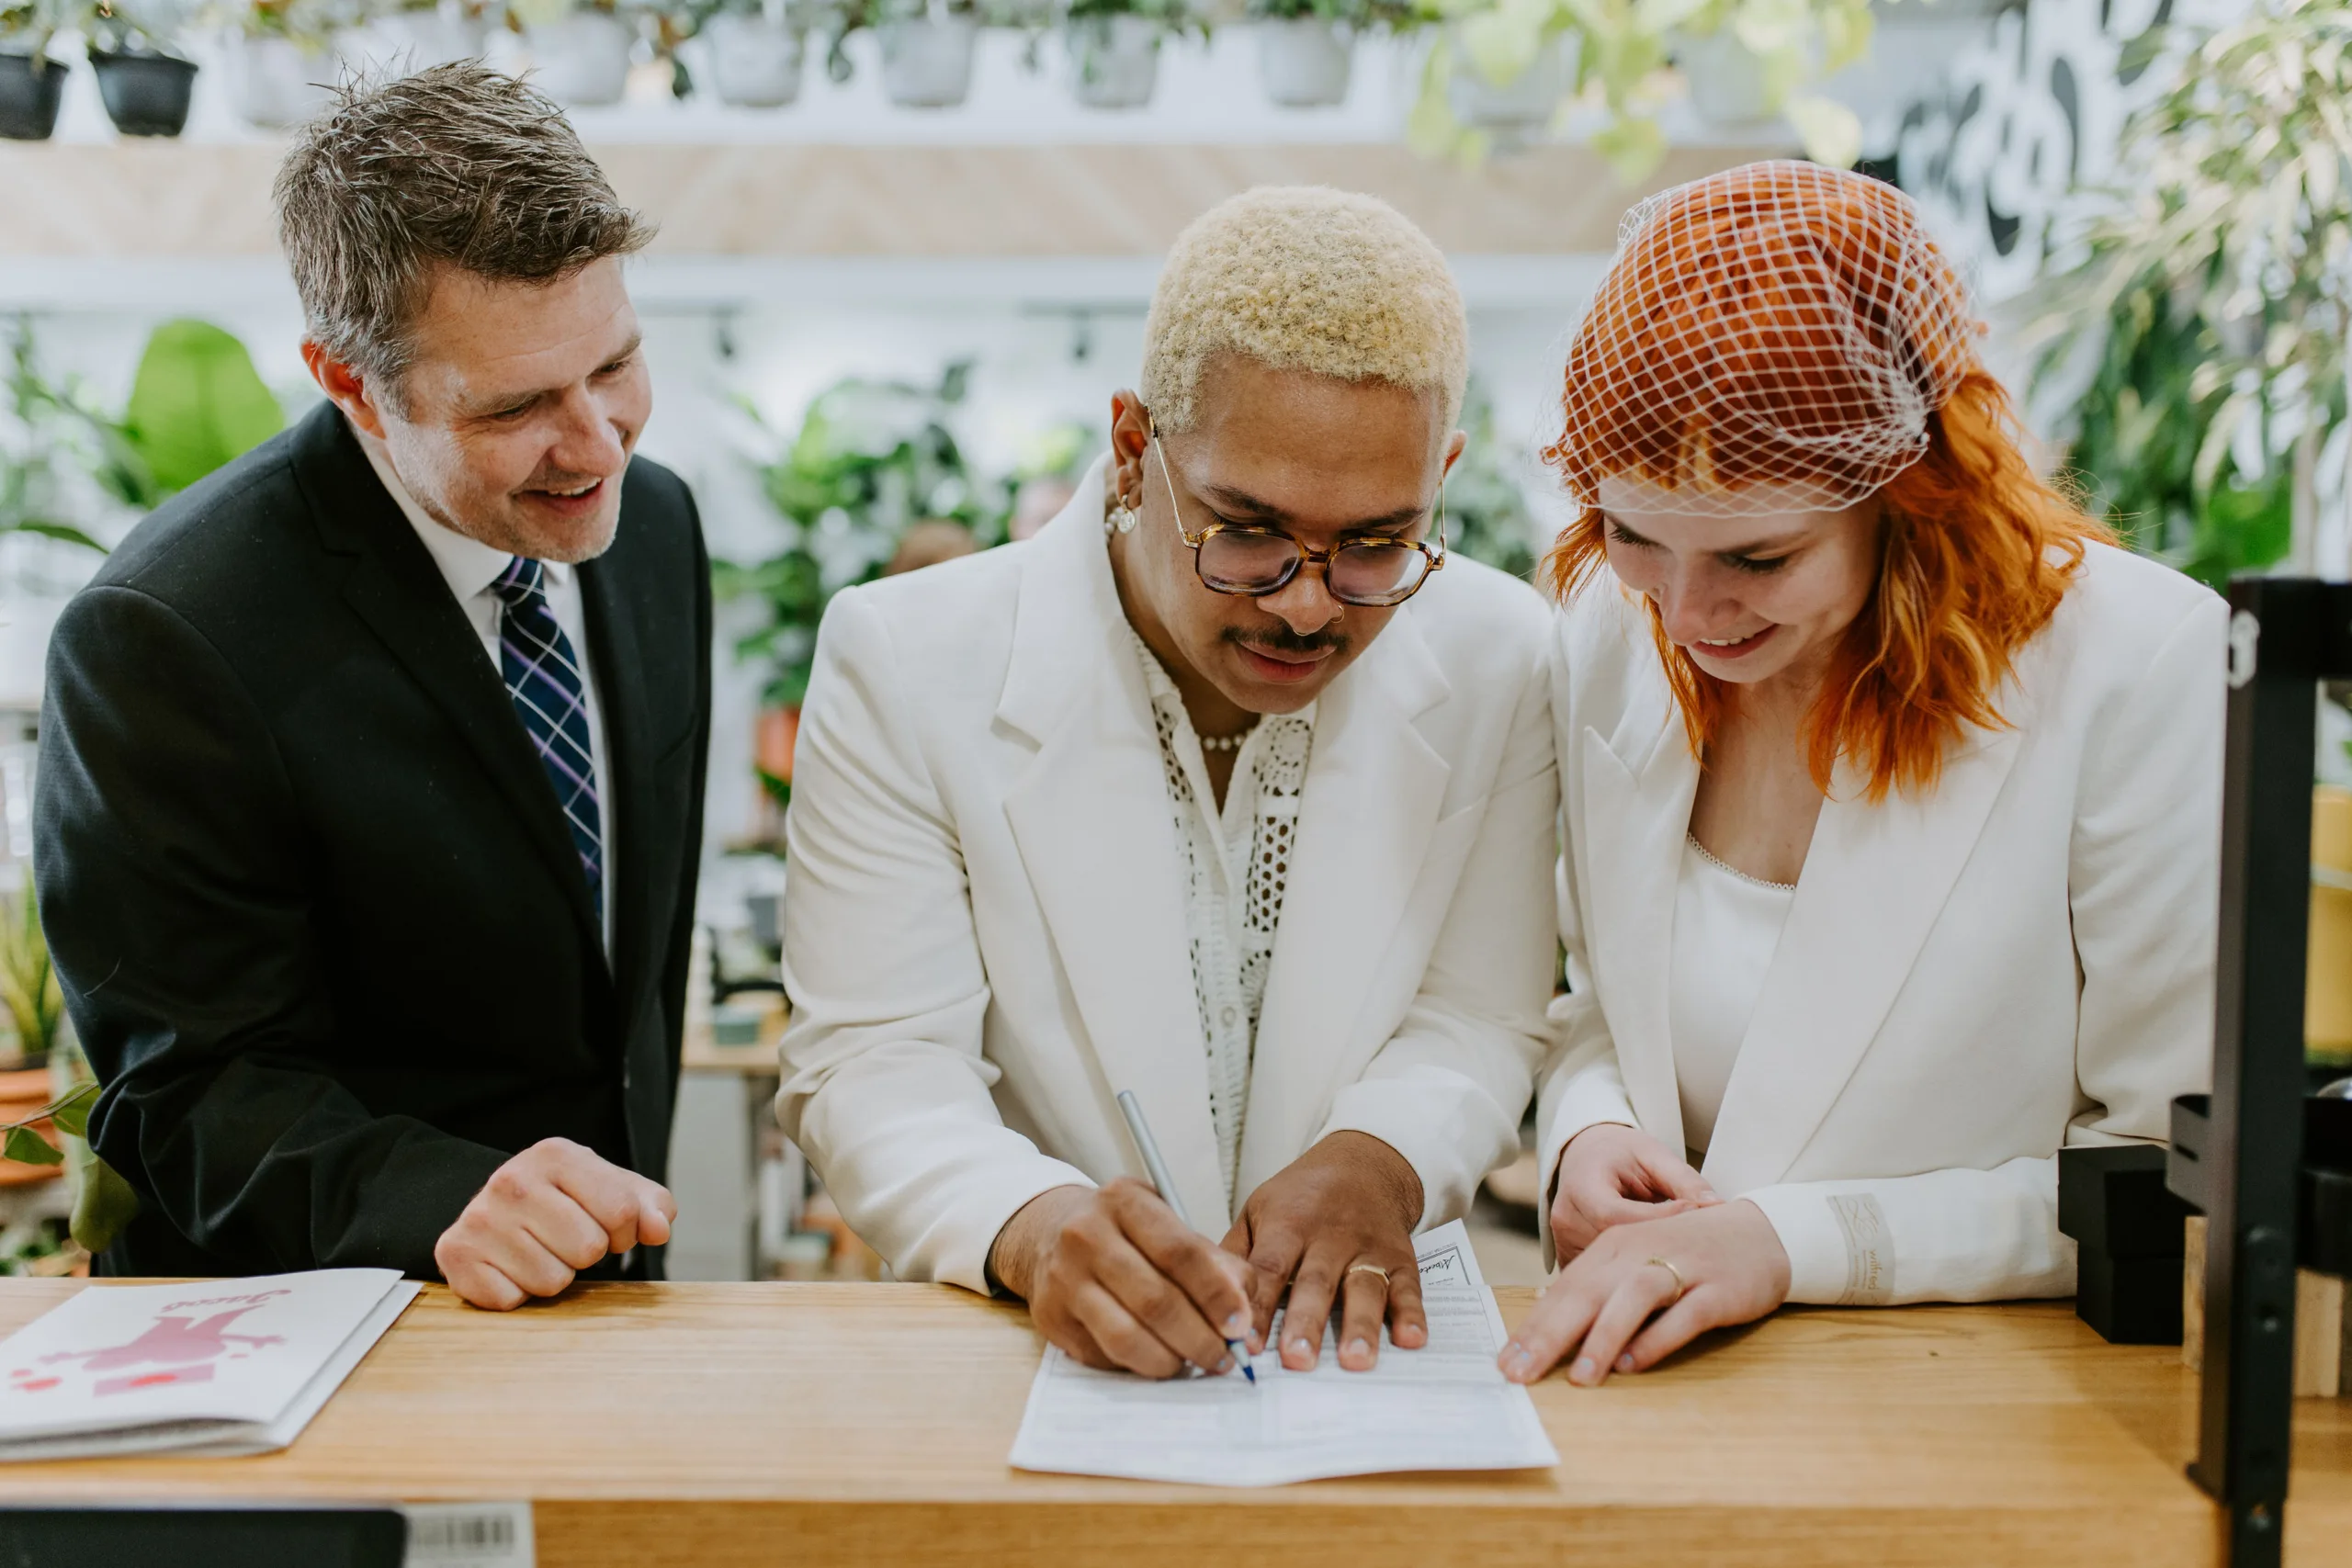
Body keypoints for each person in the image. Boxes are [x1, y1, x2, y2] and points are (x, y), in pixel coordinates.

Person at [778, 186, 1556, 1380]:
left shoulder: (1503, 654)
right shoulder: (908, 661)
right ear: (1135, 448)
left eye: (1375, 542)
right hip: (1027, 1366)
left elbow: (1480, 1013)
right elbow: (873, 1062)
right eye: (1247, 530)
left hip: (1360, 1375)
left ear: (1439, 477)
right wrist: (1027, 1225)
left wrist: (1382, 1153)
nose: (1307, 603)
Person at [1498, 162, 2222, 1387]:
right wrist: (1588, 1129)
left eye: (1758, 556)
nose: (1685, 612)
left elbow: (2165, 1172)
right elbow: (1597, 1010)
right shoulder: (1607, 630)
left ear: (1913, 490)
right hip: (1657, 1391)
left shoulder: (2139, 664)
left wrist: (1798, 1241)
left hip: (1988, 1398)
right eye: (1632, 536)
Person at [35, 65, 711, 1309]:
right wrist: (444, 1195)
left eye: (614, 365)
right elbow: (189, 1093)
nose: (601, 444)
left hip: (615, 1305)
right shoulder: (164, 633)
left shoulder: (652, 526)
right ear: (350, 382)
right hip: (329, 1330)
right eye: (518, 406)